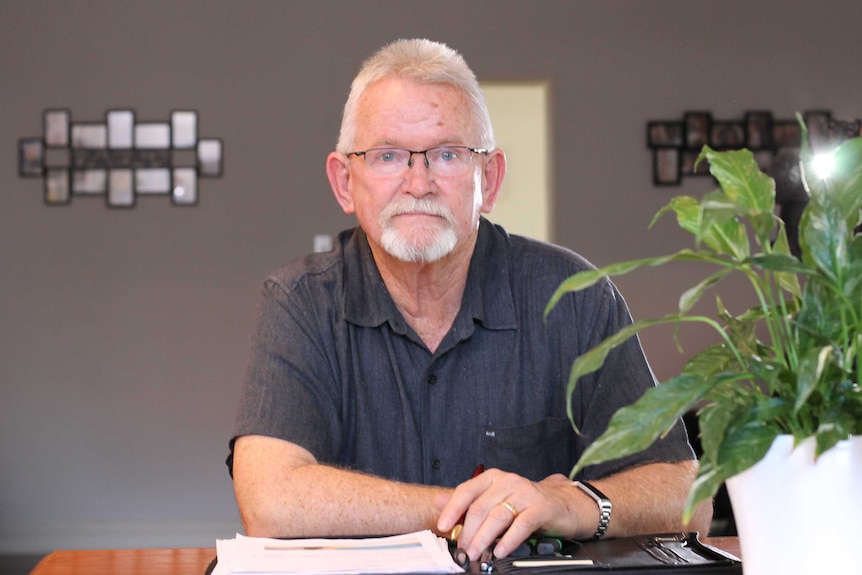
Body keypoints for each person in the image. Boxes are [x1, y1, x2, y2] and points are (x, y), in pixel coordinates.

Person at [228, 38, 712, 562]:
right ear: (346, 182)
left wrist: (570, 503)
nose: (419, 183)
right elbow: (269, 499)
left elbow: (690, 497)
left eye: (447, 155)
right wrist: (476, 509)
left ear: (491, 177)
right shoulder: (299, 302)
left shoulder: (575, 298)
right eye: (388, 156)